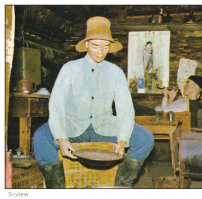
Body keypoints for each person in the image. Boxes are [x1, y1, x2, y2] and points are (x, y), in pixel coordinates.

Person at [33, 16, 154, 188]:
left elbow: (125, 109)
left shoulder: (116, 72)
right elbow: (57, 104)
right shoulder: (69, 69)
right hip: (72, 125)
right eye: (96, 46)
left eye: (106, 47)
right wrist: (61, 137)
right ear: (87, 44)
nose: (100, 52)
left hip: (104, 126)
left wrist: (122, 139)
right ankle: (57, 189)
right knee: (40, 138)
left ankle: (120, 186)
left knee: (145, 138)